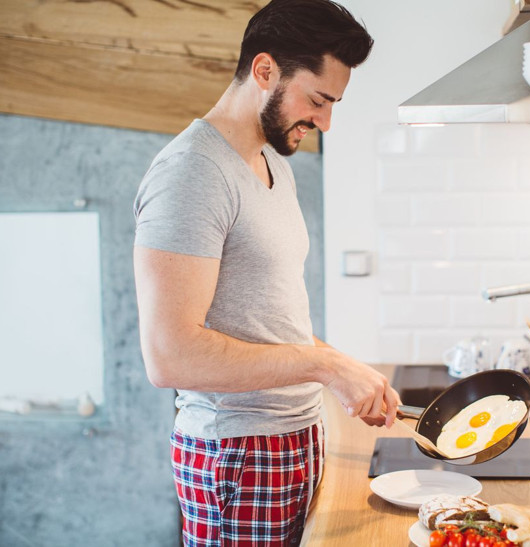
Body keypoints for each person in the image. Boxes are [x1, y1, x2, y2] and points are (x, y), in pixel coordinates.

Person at [132, 1, 400, 544]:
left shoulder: (274, 162)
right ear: (264, 71)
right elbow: (169, 356)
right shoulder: (191, 174)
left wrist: (345, 370)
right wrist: (326, 366)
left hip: (293, 438)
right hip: (237, 455)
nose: (325, 121)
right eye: (318, 100)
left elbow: (269, 319)